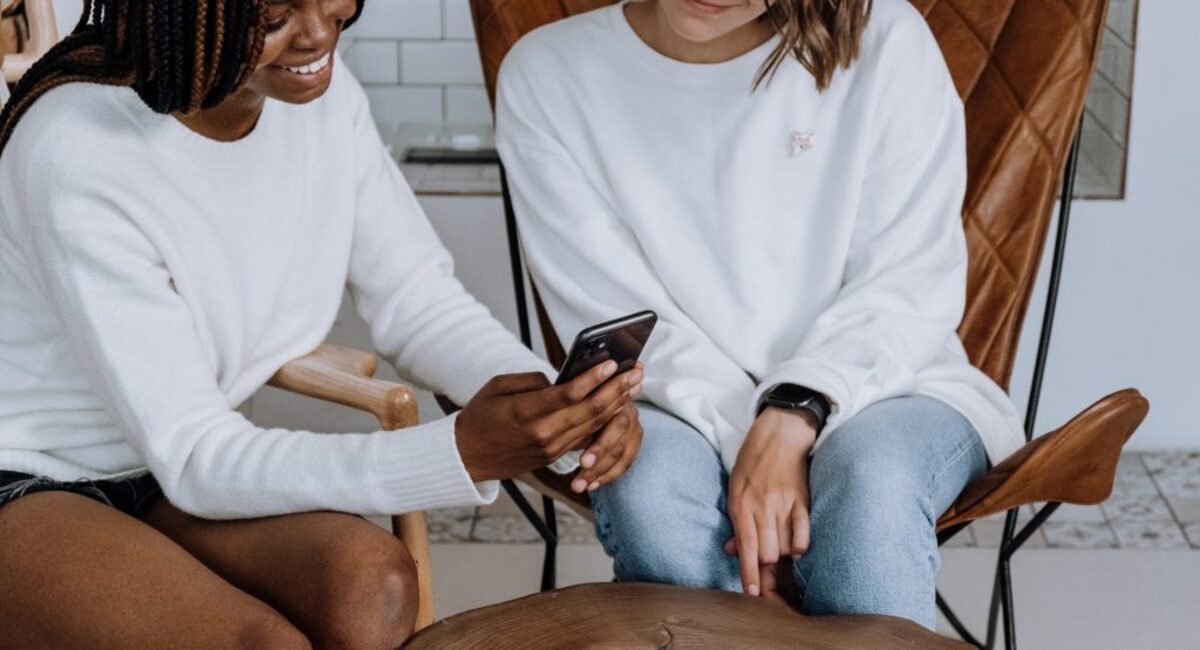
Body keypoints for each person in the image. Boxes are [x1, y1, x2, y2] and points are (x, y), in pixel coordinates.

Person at [0, 0, 643, 646]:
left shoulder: (319, 101)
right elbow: (197, 455)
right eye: (278, 12)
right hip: (35, 480)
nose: (317, 32)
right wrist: (458, 451)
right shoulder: (78, 152)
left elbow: (418, 299)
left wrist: (554, 400)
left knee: (376, 587)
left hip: (163, 474)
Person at [496, 0, 1025, 629]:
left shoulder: (887, 37)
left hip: (893, 382)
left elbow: (908, 284)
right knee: (655, 497)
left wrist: (796, 413)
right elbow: (623, 319)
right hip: (671, 397)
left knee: (870, 484)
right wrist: (753, 456)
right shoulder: (547, 73)